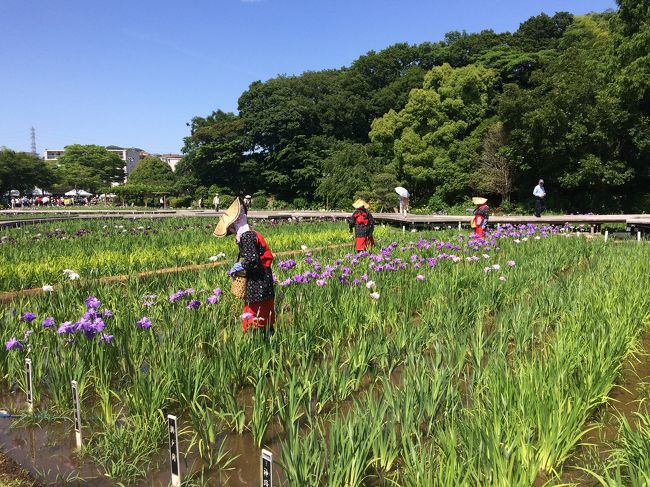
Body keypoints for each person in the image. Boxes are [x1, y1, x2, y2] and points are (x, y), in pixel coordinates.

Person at [214, 197, 275, 336]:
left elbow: (253, 260)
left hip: (257, 282)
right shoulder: (252, 233)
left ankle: (261, 349)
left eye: (231, 227)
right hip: (264, 280)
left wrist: (240, 265)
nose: (232, 231)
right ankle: (270, 345)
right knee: (265, 316)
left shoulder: (246, 236)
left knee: (255, 318)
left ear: (235, 223)